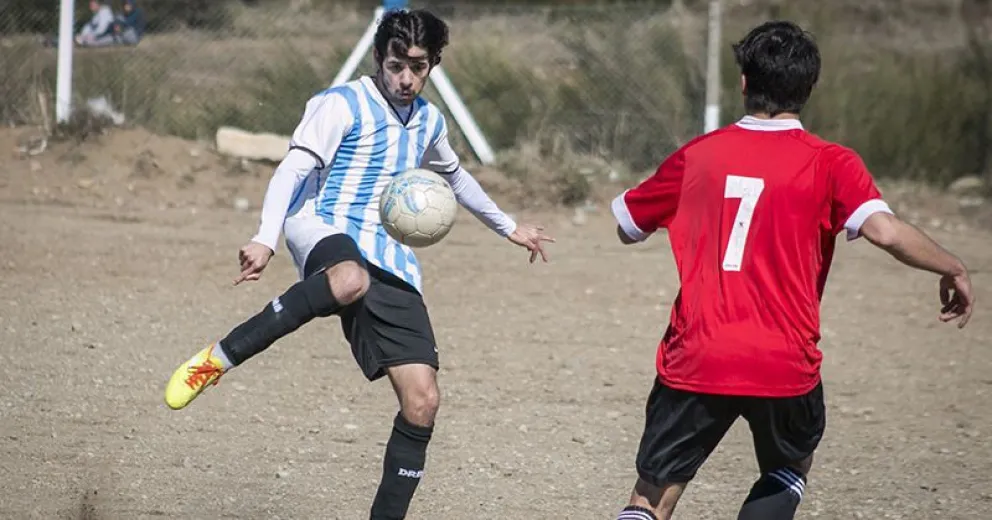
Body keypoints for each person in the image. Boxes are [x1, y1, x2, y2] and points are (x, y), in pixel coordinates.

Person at [163, 8, 553, 520]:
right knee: (348, 278)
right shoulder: (340, 105)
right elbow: (292, 171)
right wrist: (265, 238)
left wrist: (508, 226)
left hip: (388, 252)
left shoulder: (430, 121)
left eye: (418, 67)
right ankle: (219, 357)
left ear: (434, 64)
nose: (405, 78)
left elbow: (456, 180)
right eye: (396, 64)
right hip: (322, 223)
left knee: (423, 400)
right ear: (379, 57)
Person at [610, 20, 974, 520]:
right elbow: (886, 232)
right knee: (787, 466)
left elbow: (627, 223)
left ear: (743, 83)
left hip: (698, 354)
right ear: (808, 87)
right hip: (784, 360)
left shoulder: (699, 156)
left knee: (652, 496)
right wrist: (952, 265)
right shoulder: (830, 162)